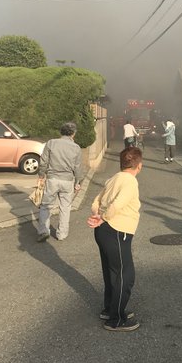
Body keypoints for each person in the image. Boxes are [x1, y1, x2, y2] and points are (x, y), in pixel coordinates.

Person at [87, 147, 142, 332]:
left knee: (111, 272)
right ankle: (116, 320)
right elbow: (118, 204)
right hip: (117, 231)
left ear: (121, 163)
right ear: (139, 166)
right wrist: (103, 218)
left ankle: (110, 309)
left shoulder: (113, 179)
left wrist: (97, 216)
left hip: (103, 231)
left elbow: (96, 201)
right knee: (126, 275)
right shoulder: (130, 181)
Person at [37, 122, 82, 242]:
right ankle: (61, 234)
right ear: (73, 134)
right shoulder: (76, 147)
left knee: (46, 206)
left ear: (61, 132)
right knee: (65, 207)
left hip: (52, 179)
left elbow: (43, 161)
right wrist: (78, 182)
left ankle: (43, 231)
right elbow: (77, 167)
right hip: (67, 181)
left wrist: (41, 175)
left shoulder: (51, 143)